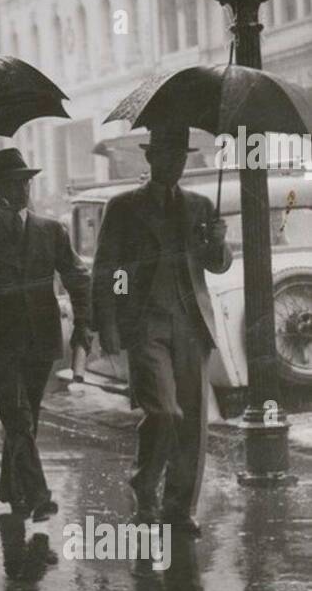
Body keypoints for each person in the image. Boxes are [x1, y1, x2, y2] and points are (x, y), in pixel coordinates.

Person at [93, 126, 232, 533]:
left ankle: (179, 509)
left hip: (192, 324)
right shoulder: (123, 207)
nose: (175, 164)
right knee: (165, 412)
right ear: (150, 159)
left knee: (193, 424)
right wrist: (114, 319)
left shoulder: (201, 205)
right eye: (167, 156)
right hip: (146, 323)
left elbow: (218, 264)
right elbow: (110, 269)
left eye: (181, 157)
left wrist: (218, 243)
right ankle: (146, 483)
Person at [0, 147, 92, 522]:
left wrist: (85, 320)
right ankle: (38, 495)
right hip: (0, 341)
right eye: (13, 183)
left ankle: (11, 487)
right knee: (17, 418)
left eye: (25, 181)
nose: (22, 189)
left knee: (25, 419)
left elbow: (76, 277)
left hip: (41, 339)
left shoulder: (51, 231)